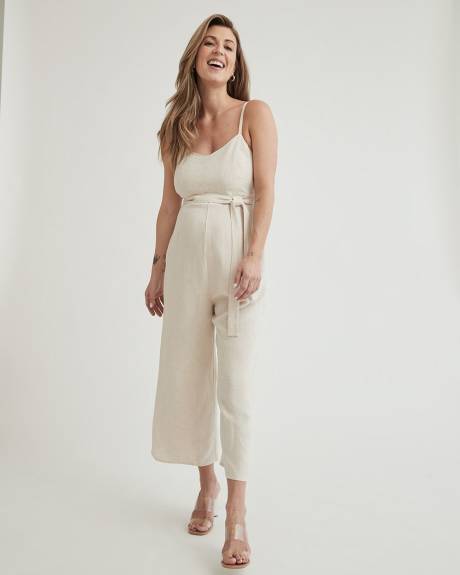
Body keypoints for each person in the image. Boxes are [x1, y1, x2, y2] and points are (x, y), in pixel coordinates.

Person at [145, 13, 277, 569]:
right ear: (195, 56)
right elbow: (169, 204)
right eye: (210, 43)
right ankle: (207, 487)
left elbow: (266, 189)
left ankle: (238, 514)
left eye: (229, 45)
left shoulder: (254, 114)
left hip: (235, 264)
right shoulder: (175, 125)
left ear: (236, 61)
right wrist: (156, 268)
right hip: (184, 265)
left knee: (236, 386)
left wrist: (255, 254)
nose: (219, 51)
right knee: (189, 376)